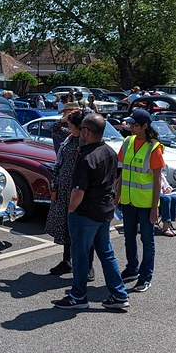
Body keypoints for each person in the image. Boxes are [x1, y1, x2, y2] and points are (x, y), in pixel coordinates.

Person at [54, 113, 131, 310]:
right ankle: (119, 294)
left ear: (87, 131)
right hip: (104, 211)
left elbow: (78, 192)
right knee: (106, 252)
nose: (80, 133)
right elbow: (115, 179)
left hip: (85, 213)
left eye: (82, 129)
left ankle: (78, 296)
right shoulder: (109, 152)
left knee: (80, 255)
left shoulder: (87, 157)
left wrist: (71, 211)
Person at [116, 108, 164, 293]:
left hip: (145, 204)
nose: (131, 127)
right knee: (128, 237)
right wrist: (117, 195)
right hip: (128, 202)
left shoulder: (154, 147)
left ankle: (145, 277)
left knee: (147, 240)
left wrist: (155, 207)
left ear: (145, 126)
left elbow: (157, 180)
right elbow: (123, 172)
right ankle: (132, 269)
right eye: (130, 124)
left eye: (134, 125)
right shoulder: (127, 142)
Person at [46, 110, 91, 279]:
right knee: (66, 226)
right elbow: (55, 128)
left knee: (82, 229)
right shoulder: (69, 137)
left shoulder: (85, 141)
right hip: (64, 189)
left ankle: (88, 266)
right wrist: (65, 119)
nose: (68, 128)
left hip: (77, 190)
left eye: (71, 126)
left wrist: (81, 114)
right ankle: (67, 261)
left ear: (80, 127)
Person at [156, 170, 176, 237]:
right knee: (166, 199)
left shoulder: (161, 174)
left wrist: (168, 188)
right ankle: (165, 226)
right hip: (154, 193)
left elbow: (166, 184)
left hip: (163, 193)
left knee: (175, 198)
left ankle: (169, 223)